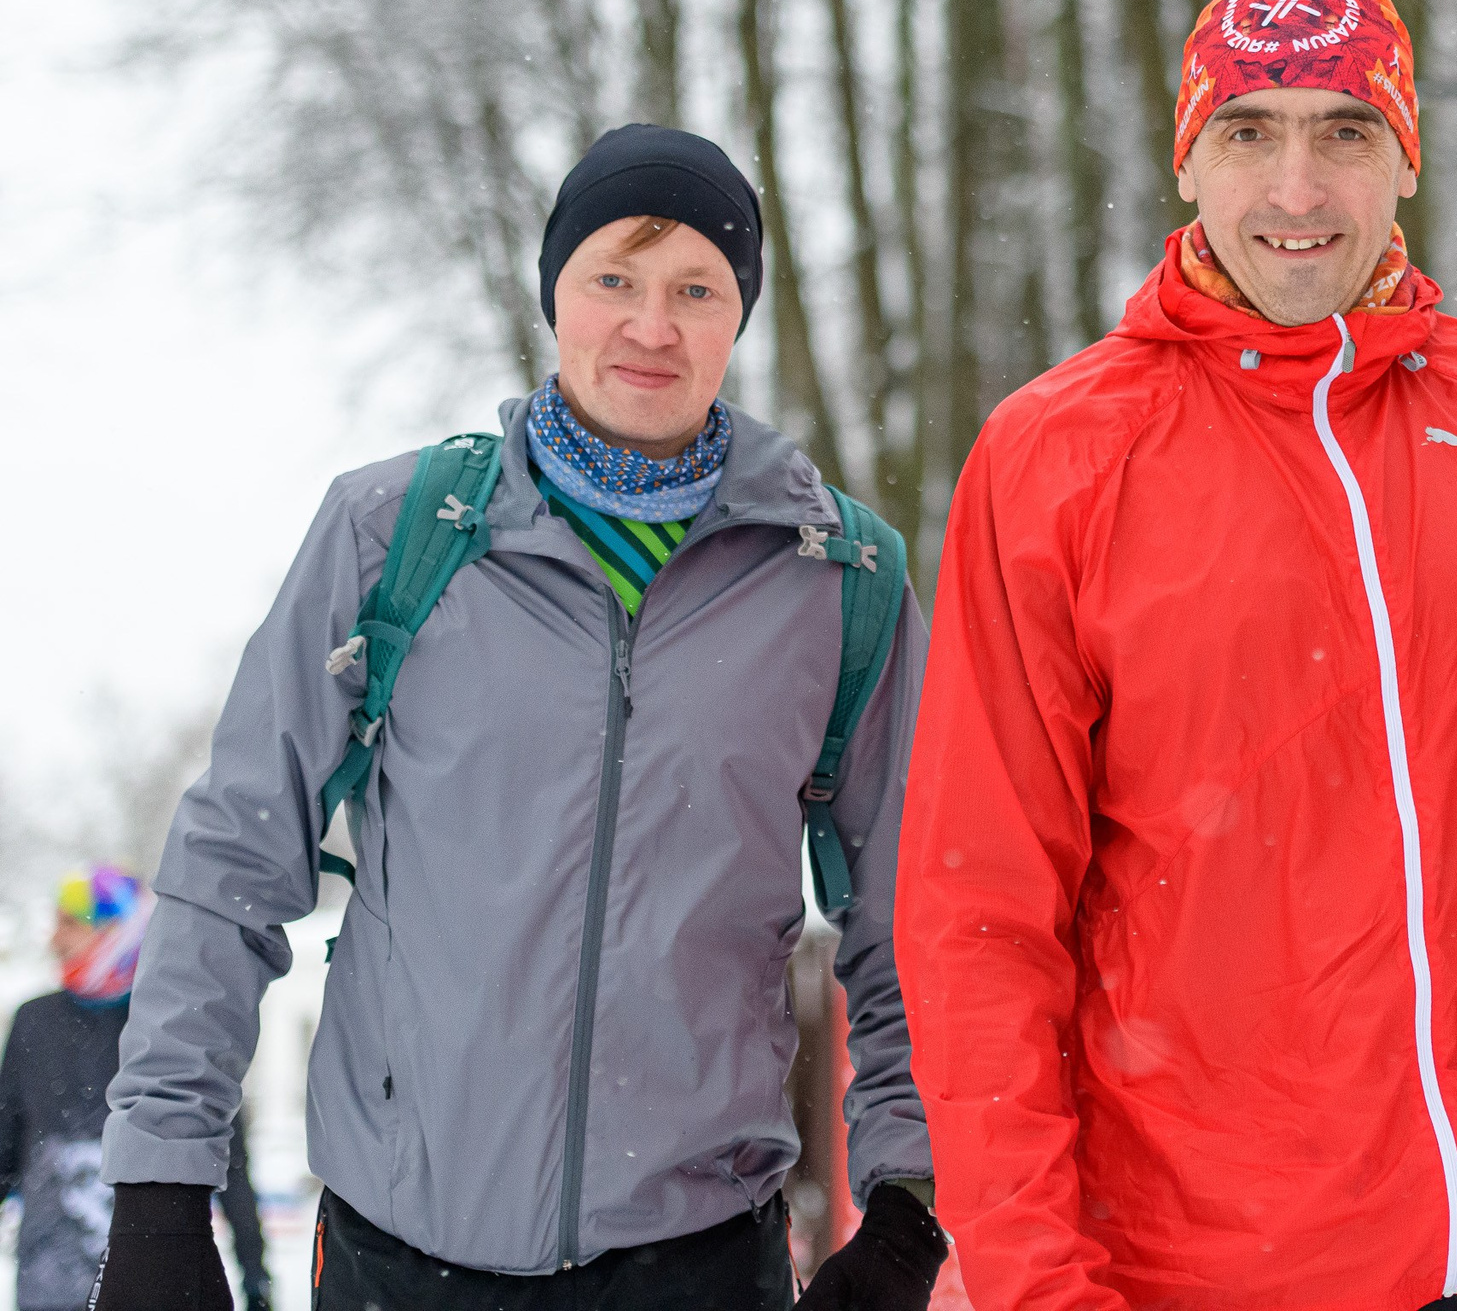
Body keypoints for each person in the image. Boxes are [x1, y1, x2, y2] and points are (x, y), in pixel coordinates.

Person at [897, 0, 1457, 1311]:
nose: (1297, 190)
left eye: (1344, 132)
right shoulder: (1056, 458)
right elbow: (981, 908)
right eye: (1251, 132)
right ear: (1189, 160)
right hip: (1215, 1265)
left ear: (1404, 159)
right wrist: (1032, 1276)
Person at [94, 126, 948, 1311]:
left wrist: (909, 1203)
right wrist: (159, 1194)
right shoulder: (395, 536)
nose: (651, 327)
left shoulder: (838, 581)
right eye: (614, 280)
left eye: (695, 289)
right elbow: (232, 863)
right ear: (557, 292)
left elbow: (913, 920)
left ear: (737, 316)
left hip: (698, 1263)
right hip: (400, 1253)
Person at [0, 868, 268, 1311]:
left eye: (71, 924)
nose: (54, 940)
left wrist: (256, 1276)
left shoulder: (173, 1026)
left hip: (148, 1283)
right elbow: (6, 1149)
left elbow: (229, 1164)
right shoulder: (34, 1020)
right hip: (46, 1286)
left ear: (119, 930)